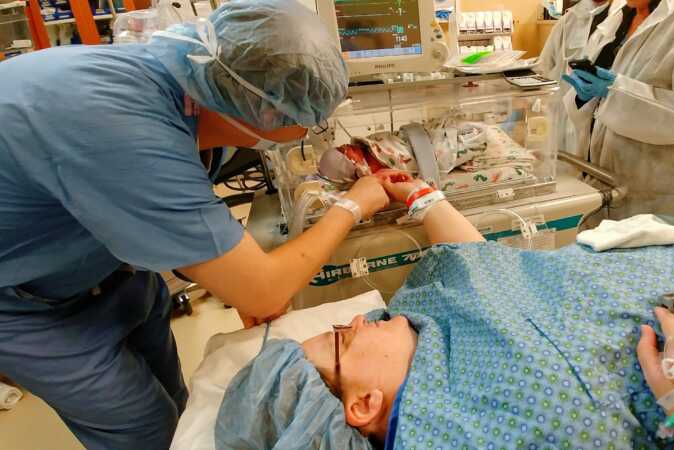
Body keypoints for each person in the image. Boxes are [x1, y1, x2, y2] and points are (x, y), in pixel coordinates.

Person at [216, 173, 674, 450]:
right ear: (360, 406)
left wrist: (424, 199)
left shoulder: (415, 328)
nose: (352, 320)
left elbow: (484, 274)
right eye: (338, 339)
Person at [0, 0, 392, 448]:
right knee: (145, 428)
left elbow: (174, 211)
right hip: (26, 306)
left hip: (109, 269)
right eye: (306, 118)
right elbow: (263, 290)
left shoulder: (185, 91)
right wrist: (352, 206)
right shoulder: (126, 126)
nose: (310, 130)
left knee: (180, 403)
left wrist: (225, 271)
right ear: (264, 112)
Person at [561, 0, 674, 218]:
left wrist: (616, 92)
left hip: (654, 183)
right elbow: (595, 91)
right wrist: (584, 96)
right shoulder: (621, 14)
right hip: (599, 173)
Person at [536, 0, 616, 159]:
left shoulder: (623, 17)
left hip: (604, 126)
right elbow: (543, 67)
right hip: (562, 118)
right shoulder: (570, 19)